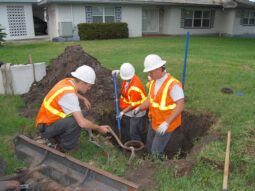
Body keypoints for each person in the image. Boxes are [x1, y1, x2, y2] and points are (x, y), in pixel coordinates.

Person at [36, 65, 110, 152]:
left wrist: (83, 98)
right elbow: (82, 123)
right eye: (89, 86)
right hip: (46, 128)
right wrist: (98, 128)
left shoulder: (68, 81)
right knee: (76, 121)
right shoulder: (69, 96)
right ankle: (65, 148)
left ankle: (60, 135)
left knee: (83, 114)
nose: (90, 88)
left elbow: (71, 92)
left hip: (49, 121)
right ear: (82, 83)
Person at [134, 54, 184, 159]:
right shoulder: (153, 82)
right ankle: (150, 161)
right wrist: (140, 108)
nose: (149, 74)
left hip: (166, 125)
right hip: (154, 121)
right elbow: (150, 99)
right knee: (149, 144)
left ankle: (158, 167)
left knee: (156, 151)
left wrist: (167, 123)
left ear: (158, 69)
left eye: (150, 72)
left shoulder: (173, 85)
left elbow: (180, 106)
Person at [112, 63, 147, 142]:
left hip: (138, 109)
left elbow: (133, 105)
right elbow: (126, 72)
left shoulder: (135, 87)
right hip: (129, 106)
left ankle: (137, 144)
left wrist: (122, 113)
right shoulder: (130, 76)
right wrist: (119, 72)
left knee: (133, 131)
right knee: (128, 126)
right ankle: (128, 141)